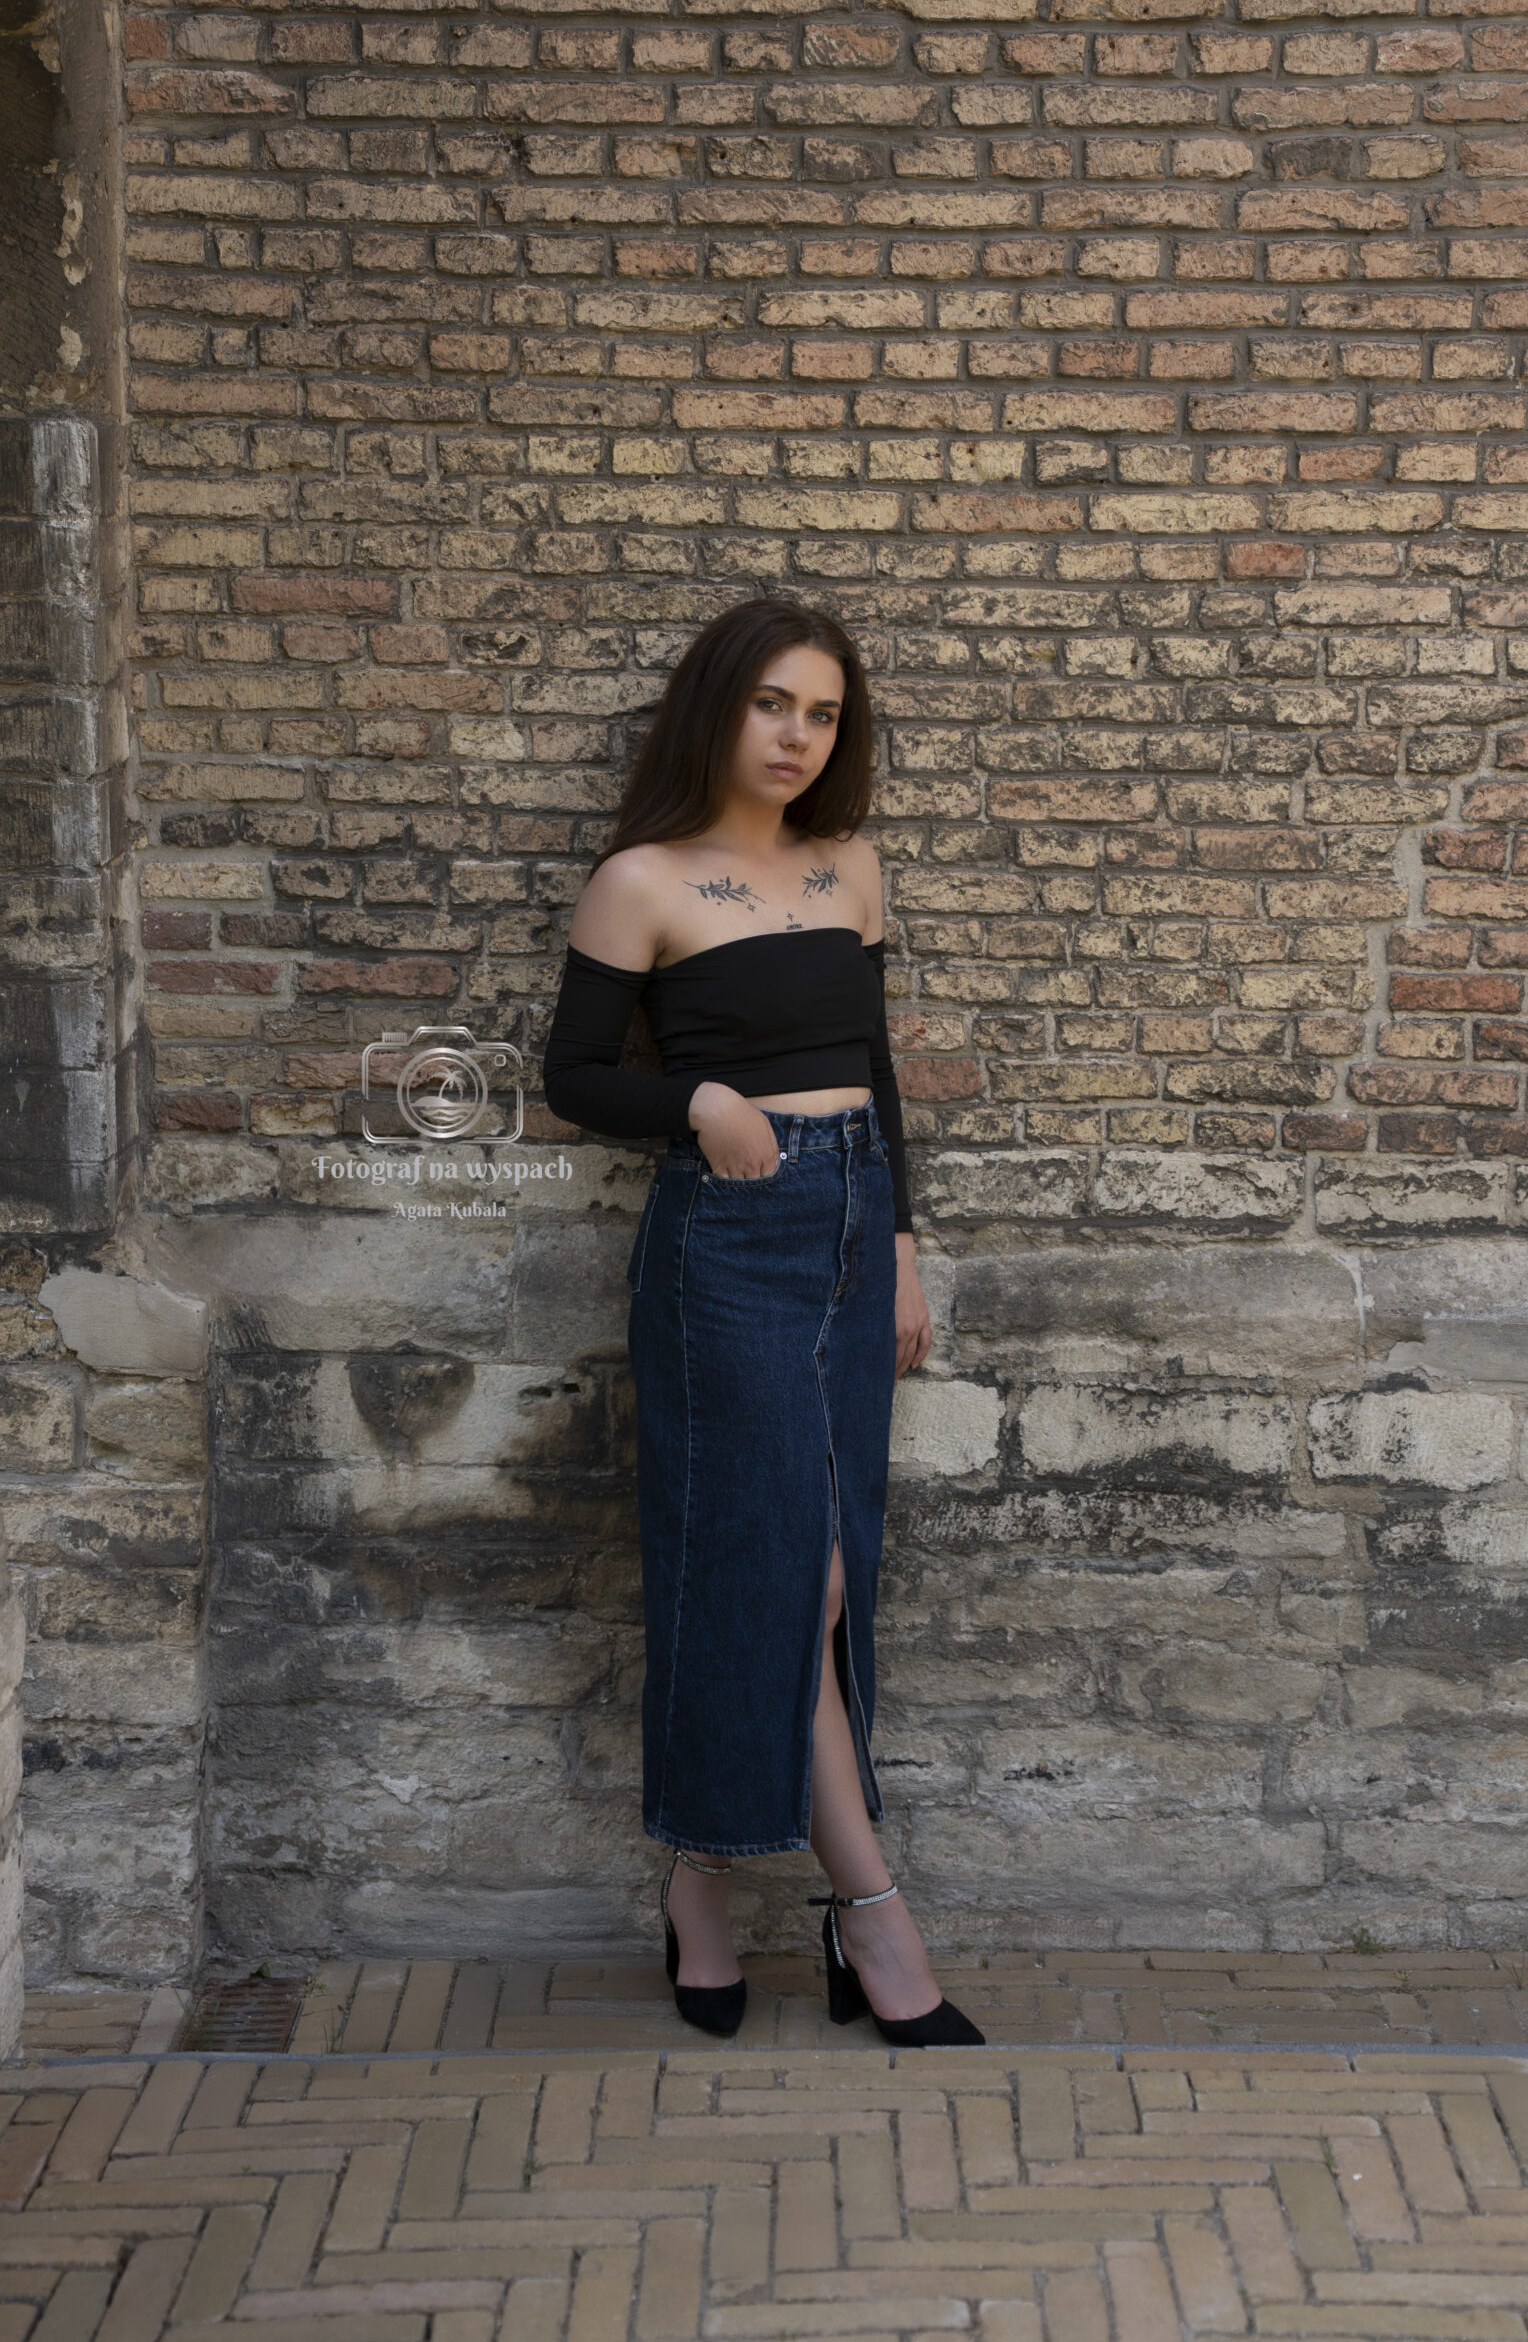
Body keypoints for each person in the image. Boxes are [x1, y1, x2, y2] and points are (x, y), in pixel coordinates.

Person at [542, 597, 983, 2049]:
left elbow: (877, 1069)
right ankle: (871, 1912)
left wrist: (901, 1244)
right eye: (772, 705)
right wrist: (699, 1101)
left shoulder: (852, 868)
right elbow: (572, 1075)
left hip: (855, 1230)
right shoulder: (642, 881)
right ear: (718, 708)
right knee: (775, 1570)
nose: (798, 736)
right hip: (727, 1243)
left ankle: (700, 1885)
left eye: (823, 714)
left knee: (830, 1566)